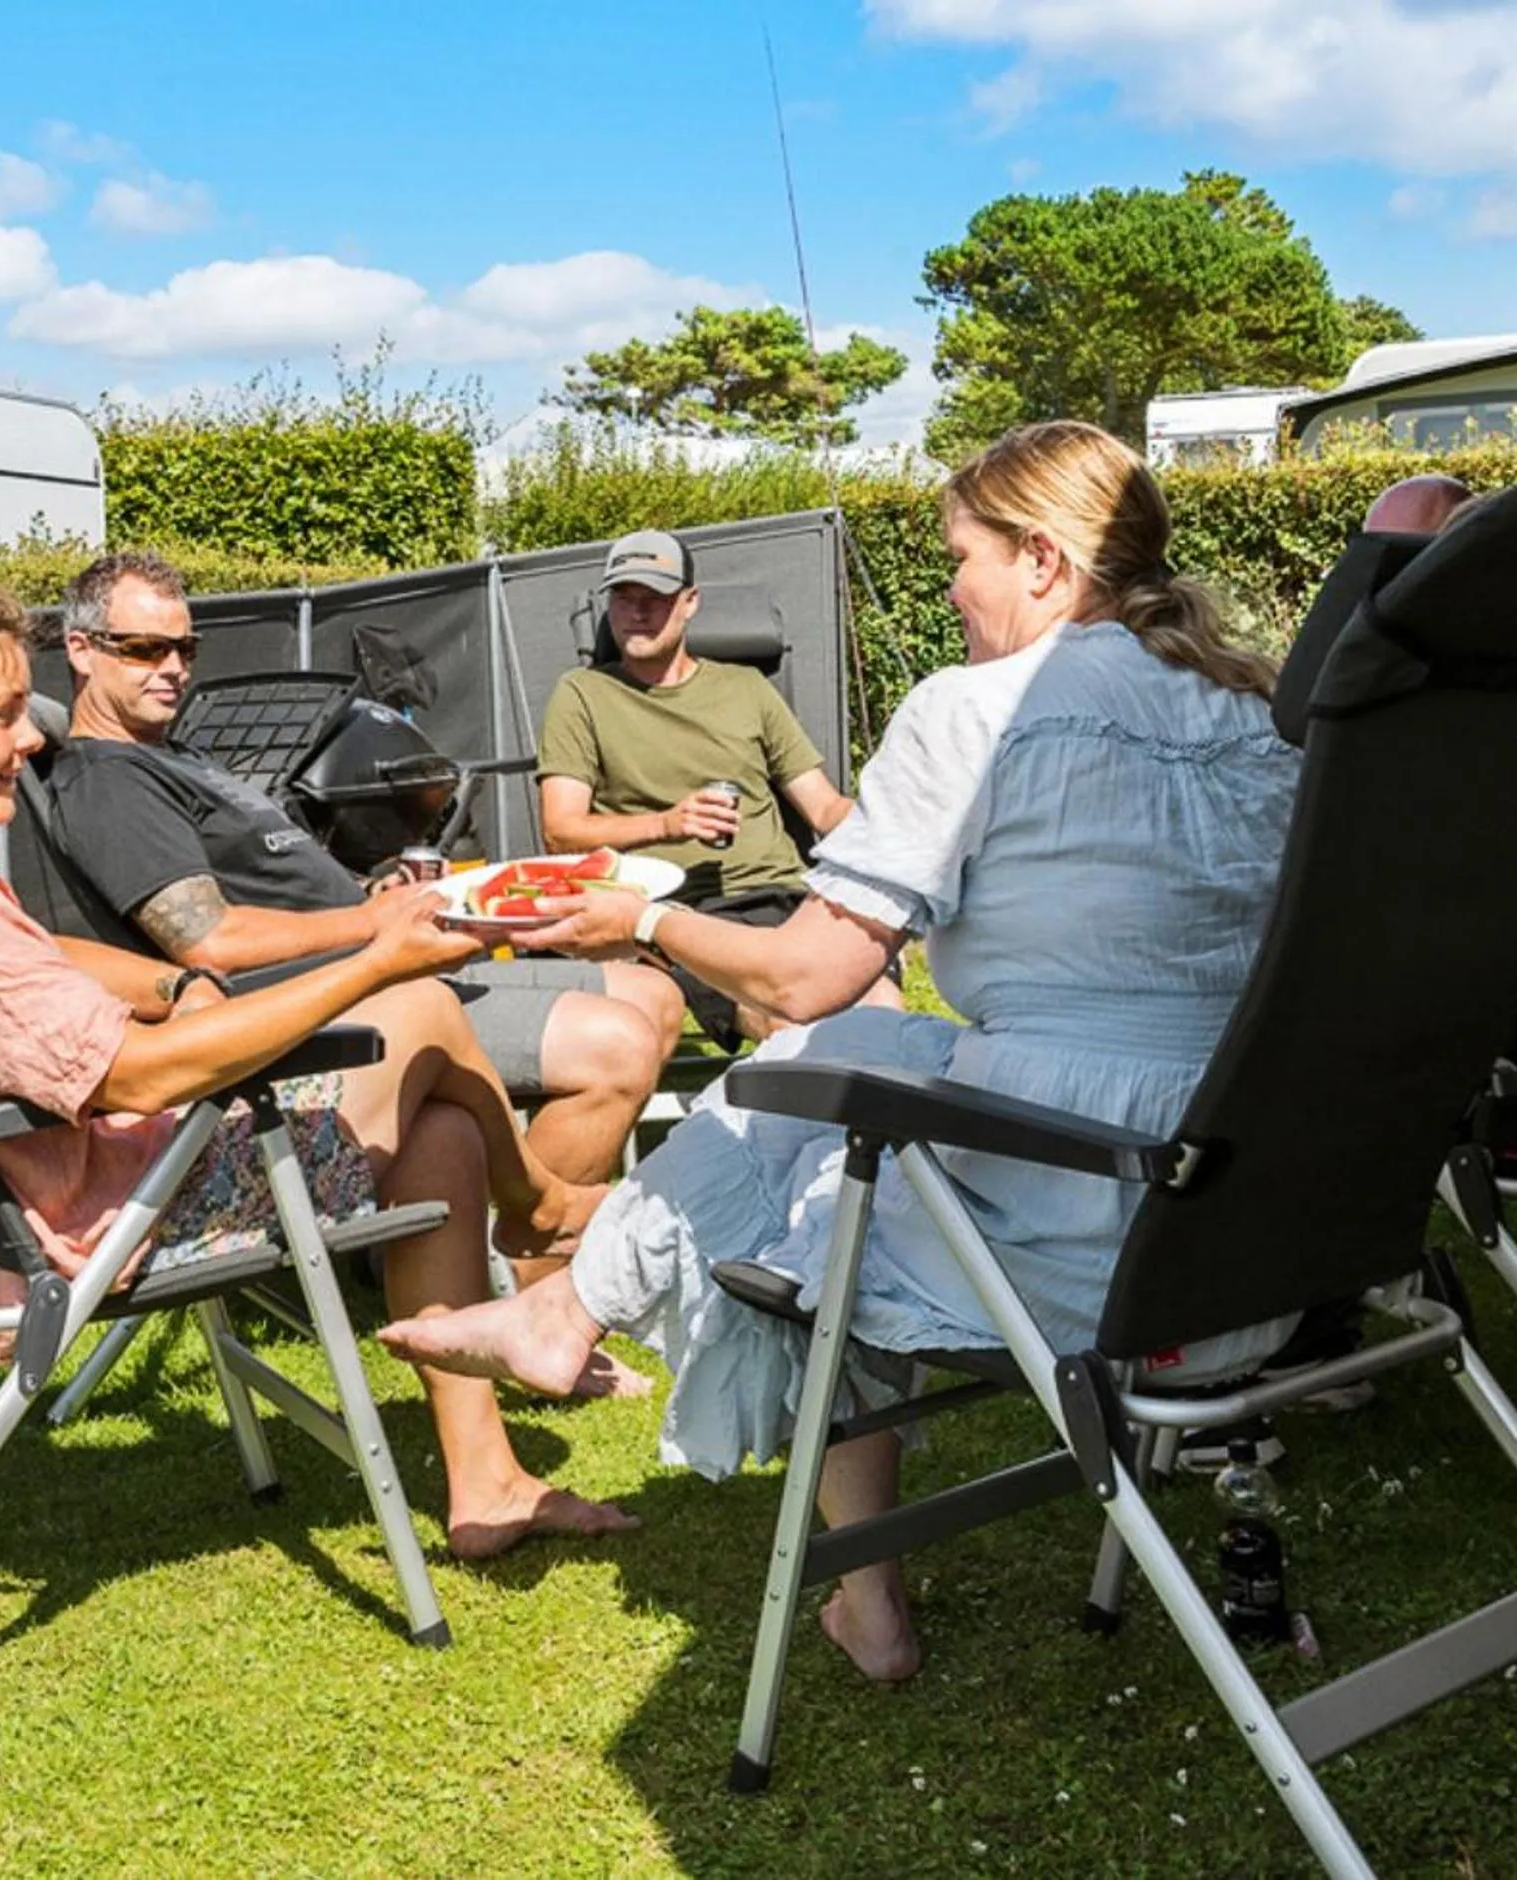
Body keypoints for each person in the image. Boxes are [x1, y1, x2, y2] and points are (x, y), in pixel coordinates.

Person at [381, 421, 1304, 1676]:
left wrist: (641, 916)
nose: (950, 590)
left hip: (1084, 1208)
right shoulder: (1260, 712)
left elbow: (815, 961)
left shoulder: (982, 708)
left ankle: (582, 1316)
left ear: (1042, 559)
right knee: (842, 1064)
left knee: (823, 1187)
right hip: (1253, 1200)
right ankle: (570, 1307)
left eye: (959, 560)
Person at [0, 580, 636, 1560]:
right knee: (421, 1011)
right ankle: (541, 1207)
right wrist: (376, 961)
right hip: (130, 1209)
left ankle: (488, 1482)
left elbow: (47, 951)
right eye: (0, 714)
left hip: (84, 1184)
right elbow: (141, 1079)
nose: (29, 738)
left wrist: (176, 986)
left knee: (445, 1131)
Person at [38, 551, 682, 1218]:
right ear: (81, 650)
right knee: (618, 1045)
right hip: (327, 1005)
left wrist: (373, 895)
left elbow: (276, 883)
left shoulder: (171, 756)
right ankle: (532, 1260)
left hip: (379, 964)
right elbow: (211, 942)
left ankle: (468, 1243)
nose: (172, 668)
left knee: (656, 996)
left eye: (184, 648)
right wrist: (374, 924)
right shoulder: (108, 781)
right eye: (144, 649)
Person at [536, 529, 896, 1042]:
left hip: (788, 896)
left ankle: (887, 1123)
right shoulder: (584, 694)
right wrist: (667, 824)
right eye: (623, 597)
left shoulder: (746, 688)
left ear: (690, 602)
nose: (637, 612)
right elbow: (561, 831)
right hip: (680, 911)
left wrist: (898, 825)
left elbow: (823, 807)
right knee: (788, 1021)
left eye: (655, 599)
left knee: (881, 1009)